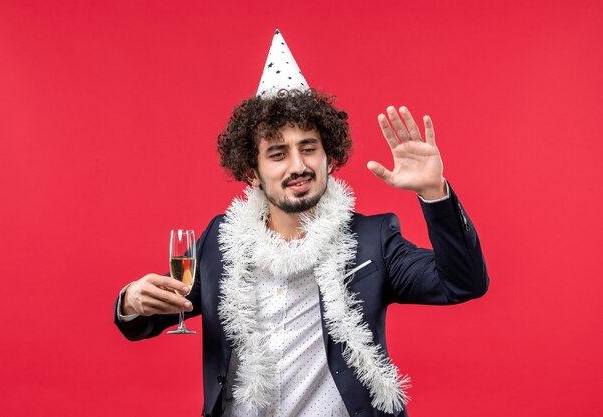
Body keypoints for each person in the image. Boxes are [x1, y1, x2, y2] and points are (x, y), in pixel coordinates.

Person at [114, 30, 488, 417]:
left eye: (309, 148)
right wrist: (131, 300)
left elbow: (463, 282)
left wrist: (435, 193)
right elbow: (152, 315)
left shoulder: (373, 240)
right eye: (278, 154)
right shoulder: (218, 242)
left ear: (330, 158)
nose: (298, 166)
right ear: (251, 171)